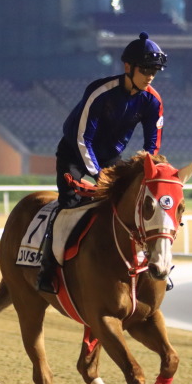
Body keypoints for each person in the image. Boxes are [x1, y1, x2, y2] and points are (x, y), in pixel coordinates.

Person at [36, 31, 168, 293]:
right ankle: (48, 269)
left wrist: (145, 170)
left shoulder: (152, 100)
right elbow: (82, 137)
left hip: (111, 159)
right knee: (69, 206)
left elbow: (152, 144)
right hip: (75, 155)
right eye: (145, 69)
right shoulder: (100, 92)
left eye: (154, 70)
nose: (150, 75)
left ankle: (153, 266)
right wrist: (97, 175)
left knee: (134, 207)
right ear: (128, 67)